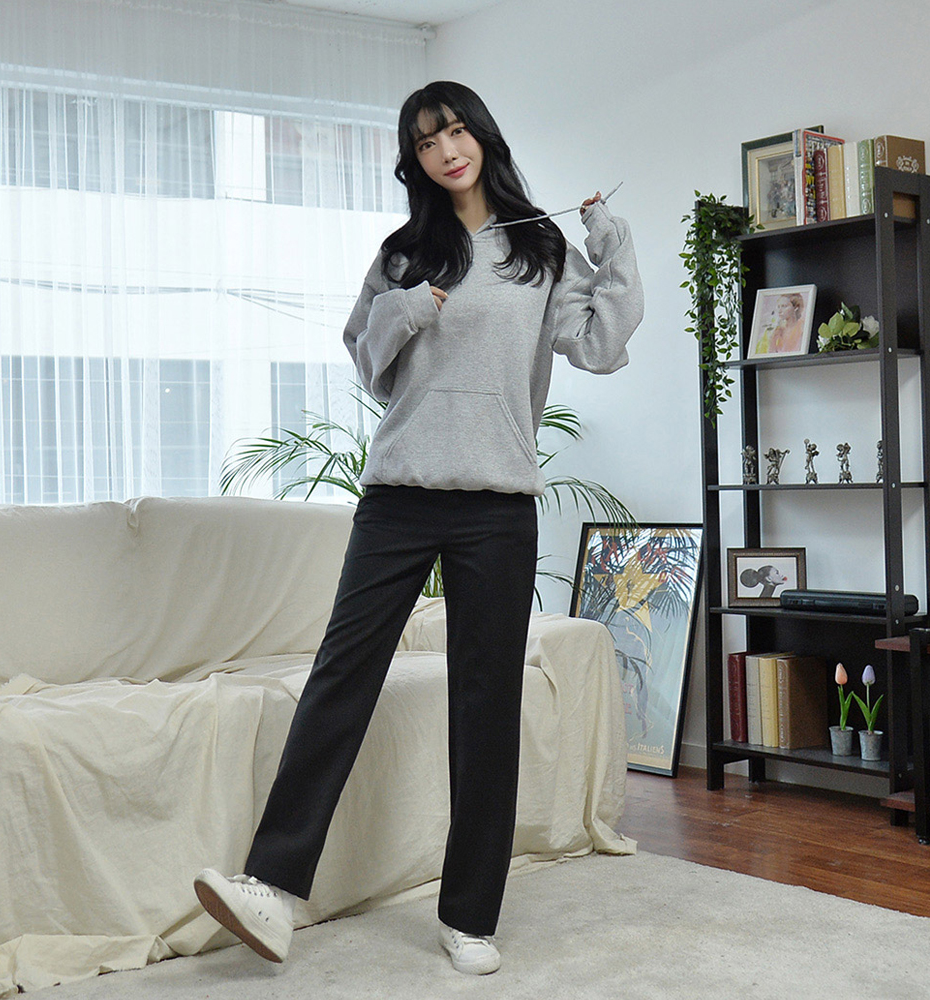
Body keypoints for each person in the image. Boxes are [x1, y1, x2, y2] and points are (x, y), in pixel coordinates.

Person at [193, 80, 644, 977]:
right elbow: (368, 361)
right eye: (428, 141)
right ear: (416, 162)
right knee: (341, 675)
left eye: (457, 131)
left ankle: (470, 915)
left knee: (486, 705)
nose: (447, 150)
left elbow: (600, 345)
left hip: (499, 505)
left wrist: (613, 246)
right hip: (398, 496)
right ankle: (271, 887)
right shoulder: (404, 254)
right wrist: (403, 308)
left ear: (483, 137)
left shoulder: (541, 249)